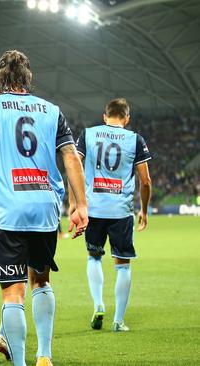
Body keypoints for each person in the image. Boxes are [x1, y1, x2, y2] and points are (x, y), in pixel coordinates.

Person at [0, 50, 89, 366]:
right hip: (44, 208)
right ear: (29, 78)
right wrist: (80, 204)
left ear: (0, 79)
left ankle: (21, 363)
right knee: (41, 281)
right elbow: (70, 157)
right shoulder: (51, 111)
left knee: (12, 293)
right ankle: (45, 355)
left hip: (9, 211)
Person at [73, 98, 152, 332]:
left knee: (94, 257)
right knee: (123, 265)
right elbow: (145, 181)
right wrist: (144, 211)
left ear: (104, 116)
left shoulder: (88, 134)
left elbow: (75, 166)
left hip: (93, 208)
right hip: (121, 211)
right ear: (127, 119)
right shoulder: (135, 139)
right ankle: (118, 320)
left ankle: (98, 304)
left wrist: (76, 202)